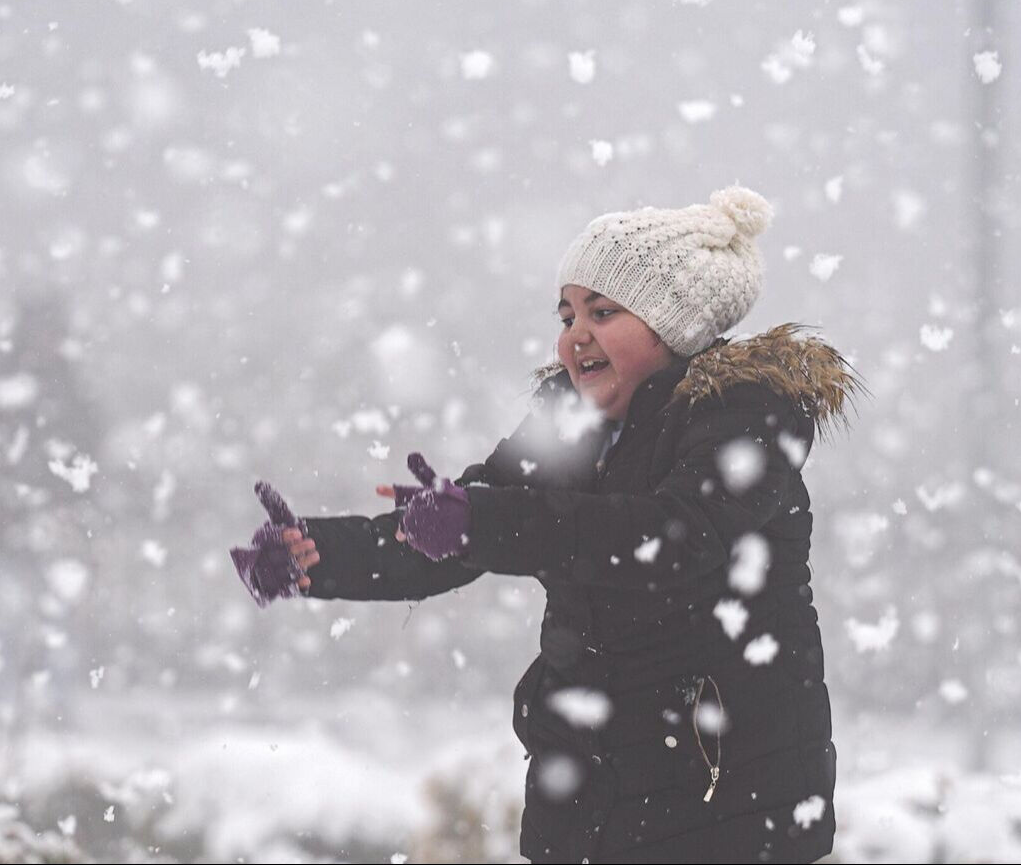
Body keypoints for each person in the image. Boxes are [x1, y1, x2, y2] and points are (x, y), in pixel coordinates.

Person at [231, 187, 860, 863]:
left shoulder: (747, 417)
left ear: (673, 324)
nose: (574, 334)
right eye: (567, 314)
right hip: (588, 803)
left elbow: (670, 536)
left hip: (726, 808)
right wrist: (318, 556)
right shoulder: (572, 424)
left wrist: (482, 519)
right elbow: (463, 528)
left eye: (603, 311)